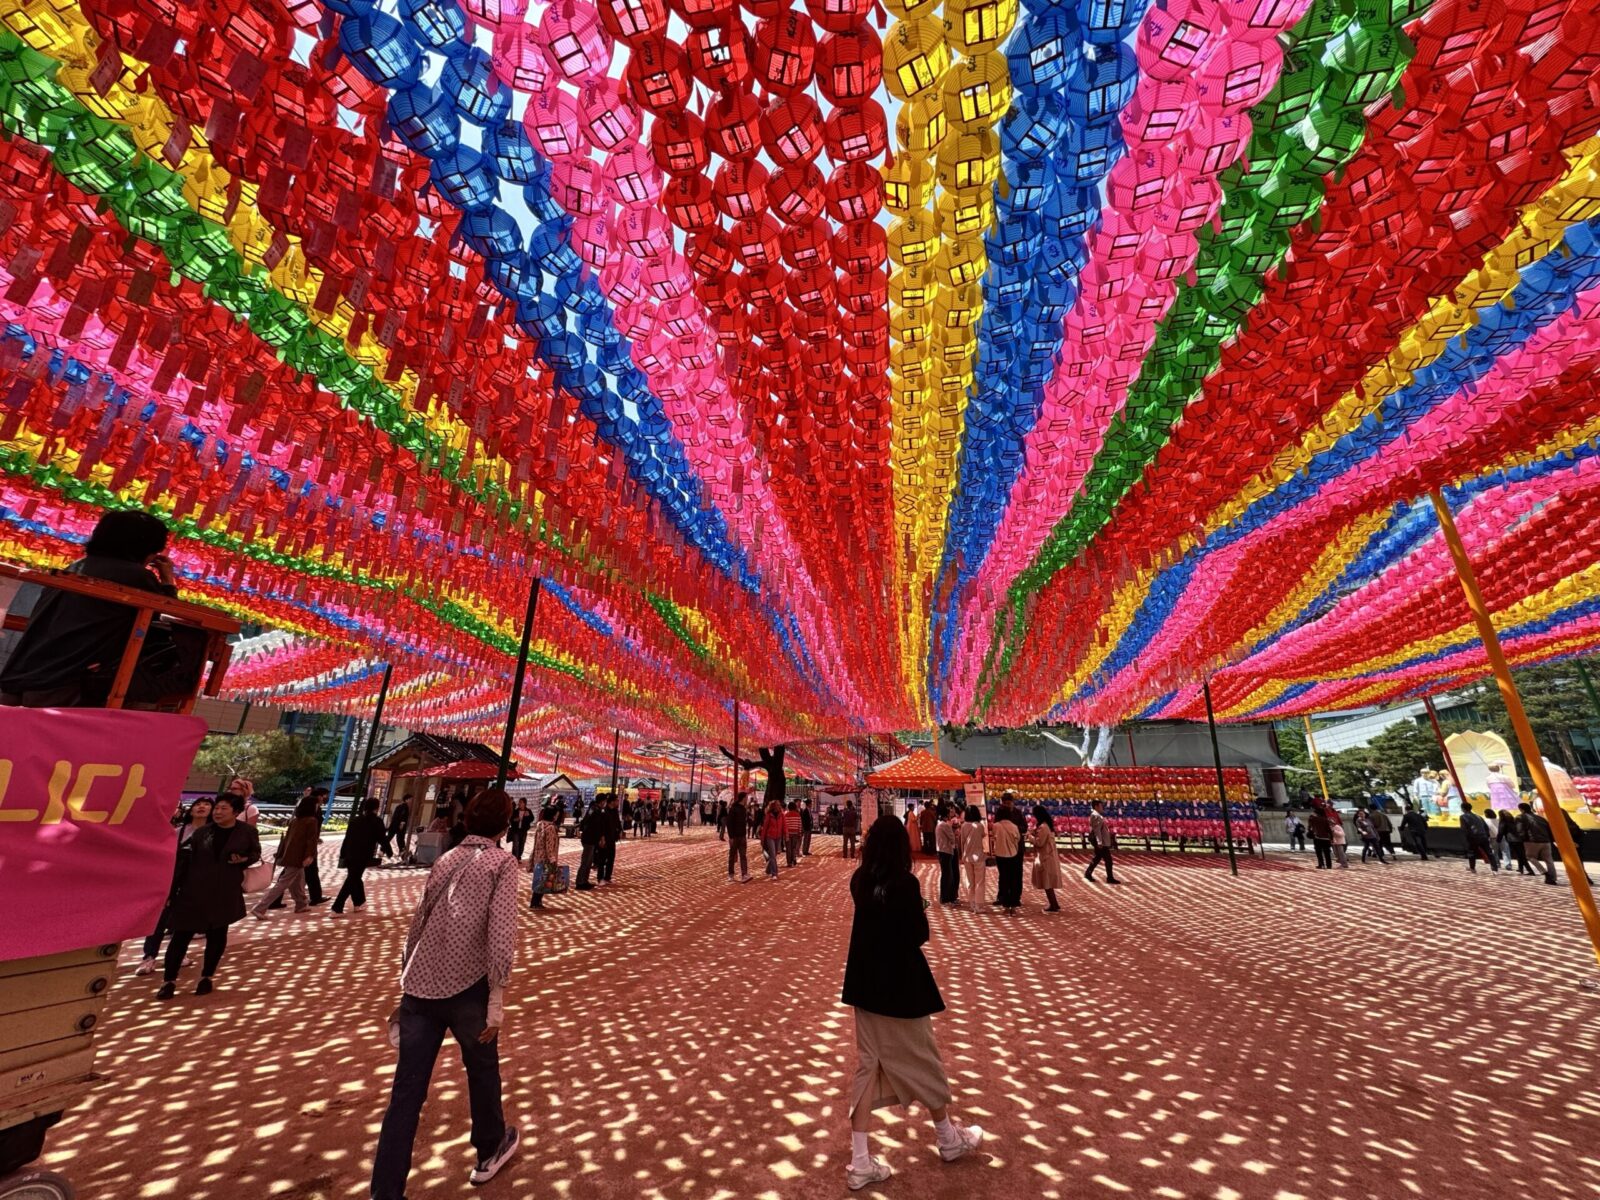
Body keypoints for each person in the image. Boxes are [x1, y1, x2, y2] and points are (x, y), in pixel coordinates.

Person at [370, 788, 520, 1200]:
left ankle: (385, 1191)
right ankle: (489, 1148)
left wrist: (405, 981)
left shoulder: (446, 858)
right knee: (482, 1069)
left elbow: (418, 922)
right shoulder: (502, 863)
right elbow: (501, 933)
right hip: (468, 987)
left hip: (419, 987)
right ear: (506, 825)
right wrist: (497, 995)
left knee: (406, 1092)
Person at [839, 815, 983, 1190]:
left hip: (866, 989)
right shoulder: (905, 884)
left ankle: (860, 1162)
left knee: (868, 1067)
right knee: (924, 1059)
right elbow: (917, 934)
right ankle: (948, 1138)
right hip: (900, 990)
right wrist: (918, 907)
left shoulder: (859, 881)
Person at [0, 509, 196, 707]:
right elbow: (166, 618)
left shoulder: (76, 566)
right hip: (64, 682)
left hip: (22, 675)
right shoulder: (136, 577)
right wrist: (167, 581)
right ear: (148, 550)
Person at [157, 793, 260, 998]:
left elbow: (255, 854)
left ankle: (206, 977)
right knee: (180, 936)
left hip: (224, 890)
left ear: (236, 812)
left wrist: (243, 859)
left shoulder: (247, 832)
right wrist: (172, 891)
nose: (218, 812)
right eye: (218, 808)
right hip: (193, 891)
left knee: (217, 935)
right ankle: (169, 981)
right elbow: (185, 864)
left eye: (224, 808)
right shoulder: (202, 832)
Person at [138, 797, 214, 974]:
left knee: (185, 922)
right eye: (198, 804)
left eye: (207, 804)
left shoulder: (214, 834)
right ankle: (149, 957)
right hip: (171, 883)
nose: (201, 807)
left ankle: (179, 954)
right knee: (159, 921)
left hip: (196, 884)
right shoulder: (178, 832)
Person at [252, 794, 320, 918]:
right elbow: (311, 840)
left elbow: (289, 838)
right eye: (316, 805)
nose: (318, 807)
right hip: (299, 857)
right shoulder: (312, 821)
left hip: (290, 855)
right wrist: (309, 855)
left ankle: (301, 904)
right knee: (283, 883)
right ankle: (260, 907)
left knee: (298, 881)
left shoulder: (295, 821)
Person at [332, 797, 386, 915]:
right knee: (353, 879)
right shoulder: (376, 821)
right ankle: (337, 907)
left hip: (350, 853)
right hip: (363, 855)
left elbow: (347, 838)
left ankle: (359, 902)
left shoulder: (355, 820)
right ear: (376, 807)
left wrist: (343, 853)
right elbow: (382, 838)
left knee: (355, 877)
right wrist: (388, 851)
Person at [989, 799, 1022, 912]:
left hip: (1000, 855)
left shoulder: (996, 826)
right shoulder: (1014, 826)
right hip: (1013, 854)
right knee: (1013, 879)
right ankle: (1013, 904)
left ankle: (1005, 903)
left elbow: (994, 837)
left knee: (1003, 878)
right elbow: (1018, 839)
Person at [527, 802, 561, 908]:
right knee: (544, 879)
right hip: (546, 858)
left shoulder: (540, 824)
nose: (557, 816)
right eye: (556, 814)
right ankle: (535, 902)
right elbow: (549, 845)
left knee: (539, 878)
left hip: (538, 855)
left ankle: (536, 902)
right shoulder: (550, 828)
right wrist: (552, 859)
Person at [1030, 805, 1063, 913]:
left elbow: (1039, 842)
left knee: (1047, 882)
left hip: (1045, 858)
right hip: (1047, 856)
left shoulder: (1043, 827)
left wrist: (1029, 837)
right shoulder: (1045, 825)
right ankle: (1055, 903)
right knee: (1047, 882)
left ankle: (1053, 905)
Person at [1518, 801, 1557, 885]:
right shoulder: (1541, 818)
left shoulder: (1521, 817)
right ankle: (1553, 877)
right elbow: (1549, 829)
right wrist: (1551, 839)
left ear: (1521, 809)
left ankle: (1545, 873)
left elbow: (1520, 830)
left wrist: (1522, 840)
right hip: (1546, 841)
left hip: (1532, 841)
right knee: (1549, 860)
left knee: (1530, 856)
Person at [304, 787, 329, 905]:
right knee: (289, 874)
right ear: (319, 796)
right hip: (307, 846)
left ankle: (315, 896)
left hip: (308, 843)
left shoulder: (311, 807)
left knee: (310, 872)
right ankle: (315, 897)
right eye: (324, 796)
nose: (325, 799)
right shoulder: (311, 807)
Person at [959, 805, 986, 912]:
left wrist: (962, 855)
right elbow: (983, 836)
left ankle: (972, 904)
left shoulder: (964, 826)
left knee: (970, 881)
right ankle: (979, 905)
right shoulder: (979, 826)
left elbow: (962, 841)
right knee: (979, 881)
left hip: (967, 856)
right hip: (978, 856)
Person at [1084, 798, 1119, 884]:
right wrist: (1099, 842)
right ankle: (1109, 878)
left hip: (1101, 841)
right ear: (1096, 806)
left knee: (1097, 858)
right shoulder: (1095, 816)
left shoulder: (1097, 815)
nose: (1102, 807)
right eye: (1100, 805)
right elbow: (1097, 830)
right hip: (1101, 842)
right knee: (1108, 860)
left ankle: (1088, 873)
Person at [1460, 801, 1498, 873]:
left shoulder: (1463, 817)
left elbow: (1465, 829)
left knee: (1472, 853)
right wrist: (1486, 836)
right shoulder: (1478, 816)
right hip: (1483, 836)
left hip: (1473, 837)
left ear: (1463, 809)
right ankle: (1494, 869)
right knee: (1489, 853)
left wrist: (1467, 839)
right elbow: (1486, 827)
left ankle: (1472, 868)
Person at [934, 804, 960, 905]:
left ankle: (947, 897)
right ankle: (946, 898)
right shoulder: (944, 825)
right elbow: (953, 839)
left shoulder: (940, 824)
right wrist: (955, 832)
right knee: (948, 875)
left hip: (943, 851)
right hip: (946, 851)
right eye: (949, 812)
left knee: (947, 875)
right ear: (946, 814)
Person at [575, 799, 603, 891]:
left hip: (590, 838)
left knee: (588, 862)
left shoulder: (593, 809)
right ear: (602, 801)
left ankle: (584, 881)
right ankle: (580, 882)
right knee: (586, 862)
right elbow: (595, 826)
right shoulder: (595, 811)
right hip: (589, 839)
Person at [596, 795, 622, 884]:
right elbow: (601, 826)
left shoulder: (615, 811)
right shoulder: (604, 811)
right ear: (611, 802)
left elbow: (617, 822)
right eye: (616, 801)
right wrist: (602, 838)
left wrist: (620, 831)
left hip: (612, 838)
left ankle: (607, 877)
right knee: (602, 859)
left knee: (611, 858)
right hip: (605, 839)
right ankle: (600, 878)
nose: (618, 802)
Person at [726, 791, 751, 882]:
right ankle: (731, 874)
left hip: (742, 835)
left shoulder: (744, 809)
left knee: (743, 855)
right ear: (743, 798)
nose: (747, 799)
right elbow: (729, 823)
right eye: (746, 798)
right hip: (735, 836)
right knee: (732, 855)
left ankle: (744, 874)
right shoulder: (734, 809)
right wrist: (731, 836)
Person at [1499, 808, 1530, 874]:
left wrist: (1498, 840)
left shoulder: (1503, 821)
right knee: (1521, 854)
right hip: (1519, 839)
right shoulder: (1514, 820)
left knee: (1519, 855)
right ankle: (1521, 868)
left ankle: (1529, 870)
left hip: (1512, 840)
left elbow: (1501, 831)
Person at [761, 799, 786, 879]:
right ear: (773, 806)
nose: (779, 806)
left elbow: (784, 825)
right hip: (770, 836)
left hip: (778, 837)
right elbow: (765, 827)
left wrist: (786, 835)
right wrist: (762, 839)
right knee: (772, 854)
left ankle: (768, 869)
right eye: (777, 805)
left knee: (773, 855)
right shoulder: (769, 815)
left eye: (779, 805)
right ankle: (774, 873)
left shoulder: (781, 815)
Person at [784, 799, 803, 867]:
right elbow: (799, 825)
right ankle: (793, 859)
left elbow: (785, 825)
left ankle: (789, 862)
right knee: (794, 847)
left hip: (788, 834)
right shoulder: (798, 815)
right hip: (795, 833)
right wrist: (800, 833)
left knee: (788, 848)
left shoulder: (786, 815)